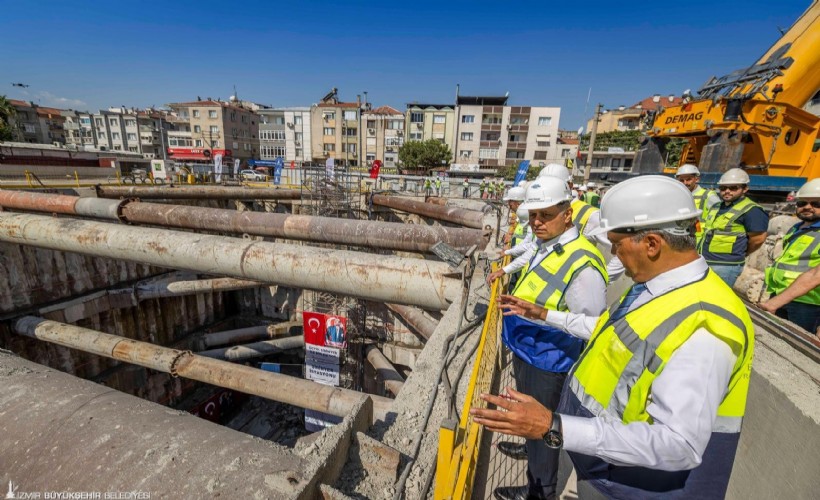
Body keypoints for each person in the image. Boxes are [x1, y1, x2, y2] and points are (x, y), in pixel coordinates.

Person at [473, 175, 754, 500]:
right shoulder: (656, 288)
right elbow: (608, 329)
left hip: (633, 487)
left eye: (617, 245)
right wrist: (545, 314)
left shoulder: (705, 326)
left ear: (652, 244)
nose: (615, 256)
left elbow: (679, 445)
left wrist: (554, 426)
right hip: (606, 465)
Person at [487, 178, 608, 500]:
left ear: (567, 214)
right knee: (531, 423)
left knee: (544, 429)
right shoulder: (548, 244)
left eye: (546, 214)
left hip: (549, 361)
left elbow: (594, 326)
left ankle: (540, 492)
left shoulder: (583, 264)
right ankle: (532, 455)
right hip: (530, 351)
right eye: (533, 215)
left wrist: (543, 315)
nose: (537, 222)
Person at [537, 164, 625, 282]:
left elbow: (622, 251)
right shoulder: (540, 212)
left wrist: (599, 281)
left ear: (570, 185)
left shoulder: (590, 215)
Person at [760, 178, 820, 334]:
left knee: (794, 344)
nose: (808, 207)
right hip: (781, 295)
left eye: (816, 204)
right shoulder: (797, 228)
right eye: (802, 203)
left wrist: (775, 302)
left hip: (807, 304)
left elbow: (816, 275)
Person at [698, 168, 768, 287]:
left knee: (718, 296)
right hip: (705, 261)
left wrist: (742, 252)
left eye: (733, 188)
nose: (727, 191)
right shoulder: (717, 206)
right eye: (723, 188)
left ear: (745, 189)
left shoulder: (752, 210)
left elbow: (758, 239)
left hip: (726, 266)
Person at [675, 164, 720, 240]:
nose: (685, 183)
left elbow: (718, 218)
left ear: (697, 179)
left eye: (688, 179)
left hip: (699, 238)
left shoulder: (708, 195)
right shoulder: (677, 195)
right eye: (681, 180)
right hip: (680, 236)